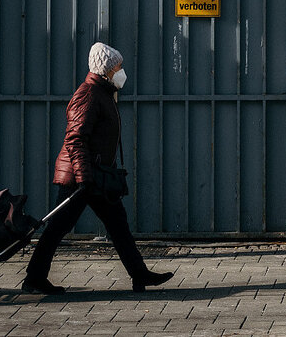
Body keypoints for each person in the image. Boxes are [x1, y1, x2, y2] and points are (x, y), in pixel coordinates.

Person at [23, 42, 174, 295]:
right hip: (81, 177)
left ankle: (139, 275)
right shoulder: (88, 94)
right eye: (118, 66)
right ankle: (34, 278)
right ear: (106, 69)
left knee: (117, 224)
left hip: (96, 175)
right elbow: (75, 139)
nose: (122, 71)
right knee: (59, 226)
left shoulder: (102, 92)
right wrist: (84, 178)